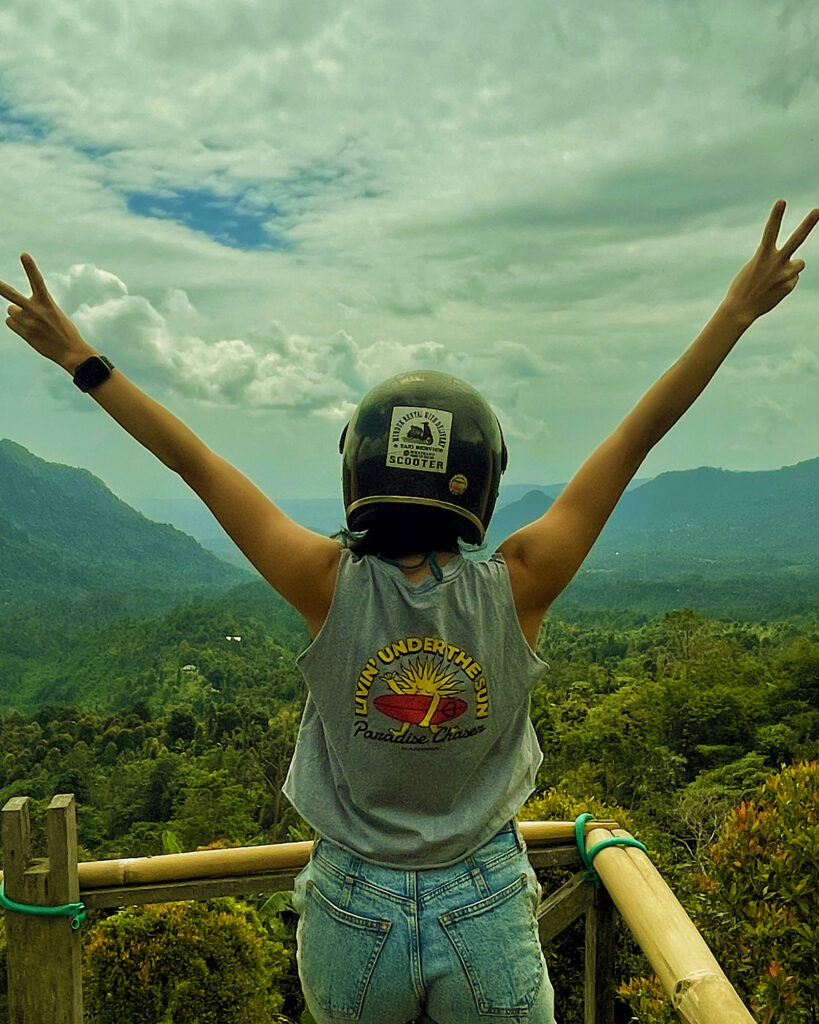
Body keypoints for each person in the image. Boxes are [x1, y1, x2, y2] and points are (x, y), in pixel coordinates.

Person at [2, 198, 816, 1024]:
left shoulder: (324, 583)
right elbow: (634, 439)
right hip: (485, 897)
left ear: (356, 472)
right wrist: (733, 314)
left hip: (353, 902)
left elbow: (197, 465)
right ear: (485, 484)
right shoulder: (519, 583)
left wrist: (84, 360)